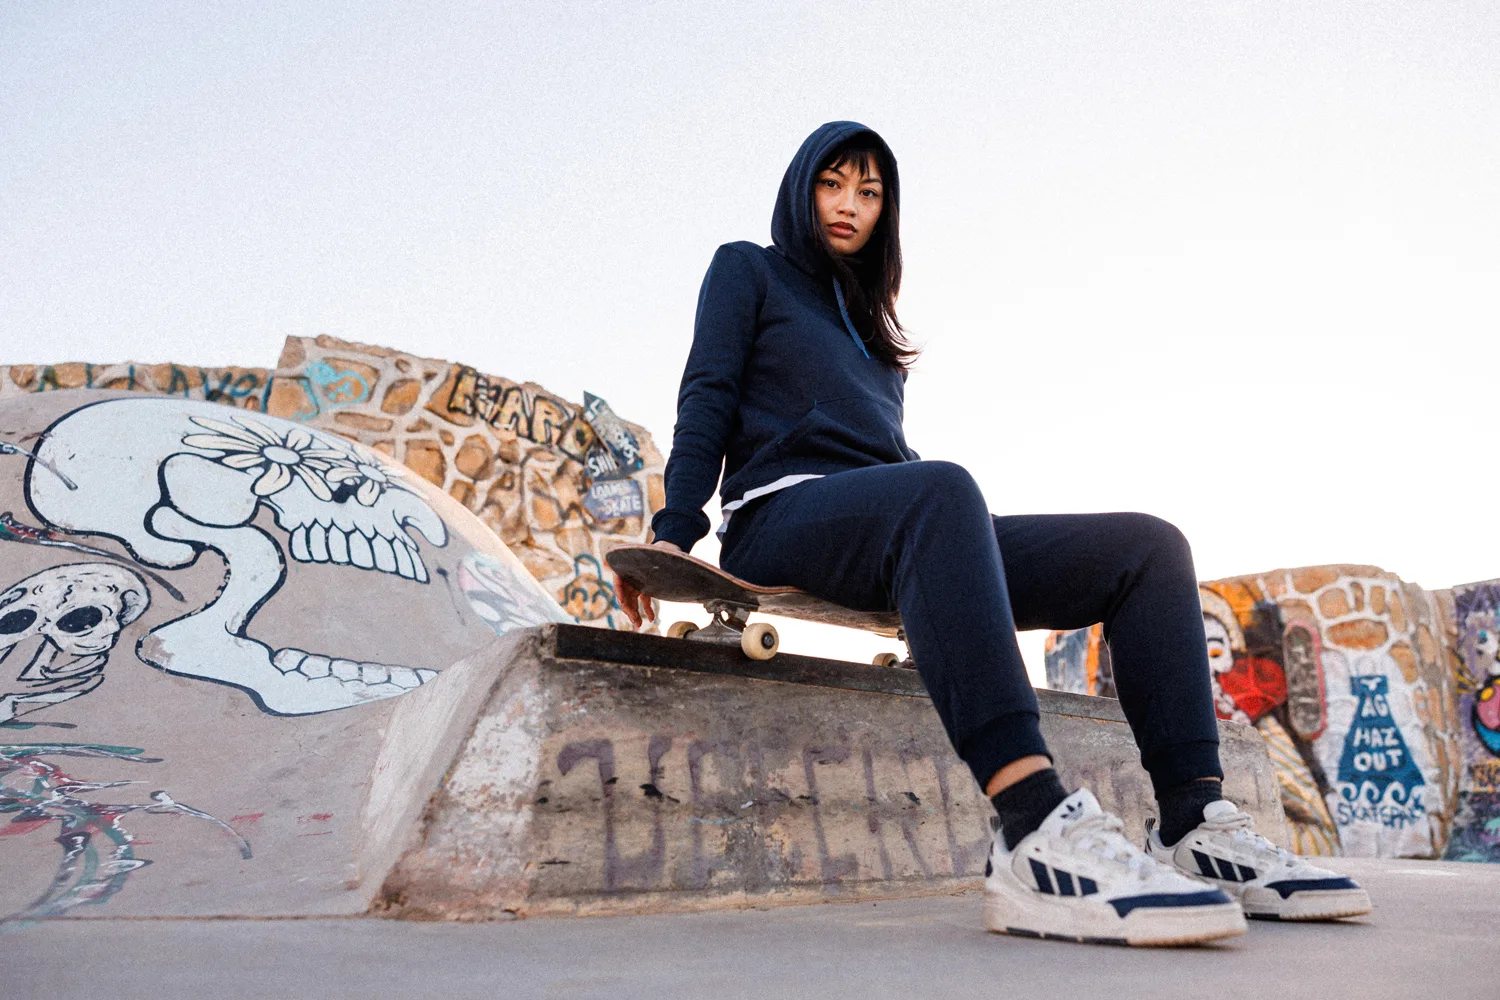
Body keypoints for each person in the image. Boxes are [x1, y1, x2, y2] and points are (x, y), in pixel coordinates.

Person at [613, 121, 1371, 946]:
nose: (849, 205)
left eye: (870, 193)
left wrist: (951, 537)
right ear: (801, 188)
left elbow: (888, 465)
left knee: (1149, 549)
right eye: (833, 184)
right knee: (942, 488)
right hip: (780, 515)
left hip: (896, 520)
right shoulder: (747, 268)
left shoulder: (874, 331)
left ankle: (1195, 826)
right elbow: (708, 393)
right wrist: (675, 531)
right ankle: (1032, 827)